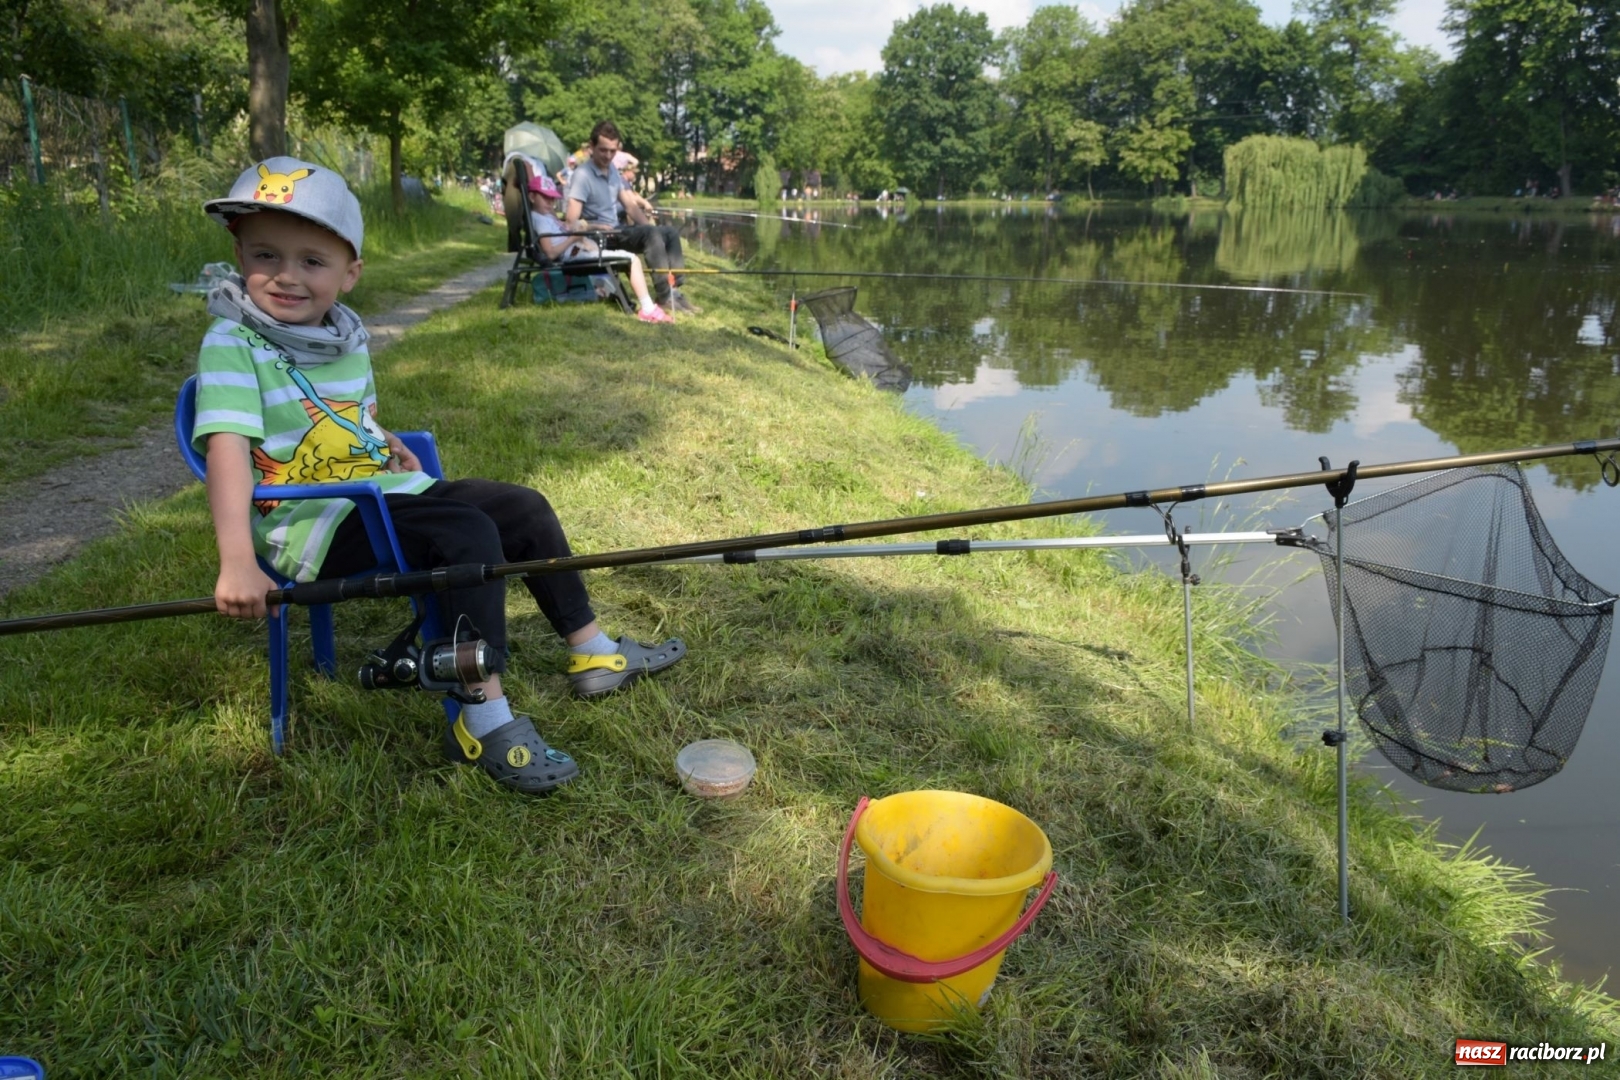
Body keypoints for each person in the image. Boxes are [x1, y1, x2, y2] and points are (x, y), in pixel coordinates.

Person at [192, 157, 686, 795]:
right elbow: (228, 450)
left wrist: (385, 443)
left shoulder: (343, 338)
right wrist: (236, 559)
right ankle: (483, 717)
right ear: (239, 253)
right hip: (312, 522)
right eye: (266, 256)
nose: (287, 277)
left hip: (378, 493)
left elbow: (346, 421)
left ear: (350, 274)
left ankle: (591, 650)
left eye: (312, 262)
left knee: (524, 508)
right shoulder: (234, 342)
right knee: (466, 533)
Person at [565, 120, 697, 314]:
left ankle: (674, 290)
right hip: (598, 238)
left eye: (613, 151)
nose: (608, 156)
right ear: (592, 147)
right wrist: (597, 227)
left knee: (668, 232)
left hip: (618, 231)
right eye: (603, 150)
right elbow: (571, 222)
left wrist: (653, 229)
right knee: (651, 235)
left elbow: (630, 206)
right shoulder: (583, 175)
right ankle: (664, 296)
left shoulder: (612, 171)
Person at [526, 172, 672, 324]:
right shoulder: (540, 220)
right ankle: (648, 309)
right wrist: (574, 238)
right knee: (633, 259)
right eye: (545, 197)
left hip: (579, 251)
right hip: (574, 255)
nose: (550, 202)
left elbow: (567, 228)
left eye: (552, 198)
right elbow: (550, 253)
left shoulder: (547, 216)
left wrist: (593, 226)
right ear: (532, 197)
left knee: (627, 258)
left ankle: (637, 303)